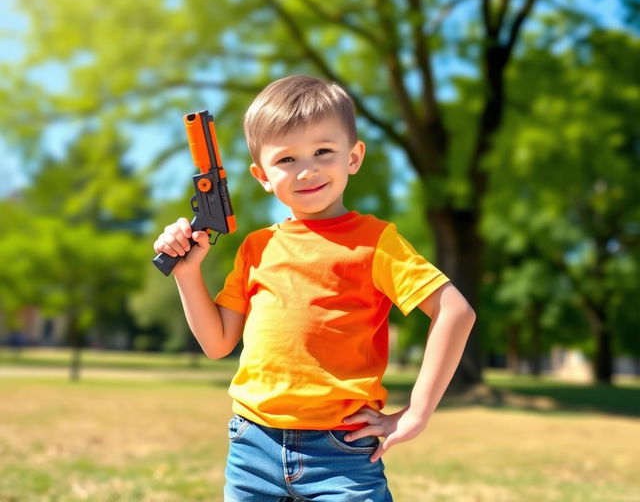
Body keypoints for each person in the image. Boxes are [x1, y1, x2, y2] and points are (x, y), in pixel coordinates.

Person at [153, 75, 476, 502]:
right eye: (286, 159)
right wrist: (187, 273)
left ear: (354, 157)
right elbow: (217, 344)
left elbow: (455, 311)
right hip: (253, 446)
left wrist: (416, 412)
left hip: (341, 453)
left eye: (323, 151)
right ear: (262, 175)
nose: (307, 170)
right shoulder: (257, 247)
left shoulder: (376, 241)